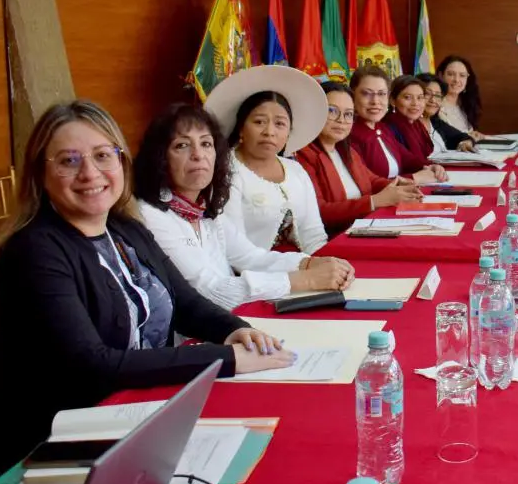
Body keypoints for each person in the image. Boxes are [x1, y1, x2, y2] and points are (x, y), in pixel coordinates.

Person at [0, 100, 295, 484]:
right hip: (41, 451)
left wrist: (236, 330)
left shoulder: (126, 228)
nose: (90, 173)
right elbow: (93, 364)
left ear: (121, 162)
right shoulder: (34, 251)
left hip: (129, 416)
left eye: (102, 156)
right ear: (41, 173)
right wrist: (225, 359)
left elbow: (186, 302)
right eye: (69, 161)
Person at [135, 104, 354, 310]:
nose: (198, 155)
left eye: (206, 144)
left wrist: (309, 263)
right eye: (182, 146)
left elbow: (251, 257)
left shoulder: (203, 207)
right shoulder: (150, 215)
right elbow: (208, 291)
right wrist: (305, 279)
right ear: (160, 157)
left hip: (231, 321)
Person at [204, 65, 330, 253]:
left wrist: (324, 261)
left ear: (288, 132)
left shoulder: (295, 170)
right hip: (252, 268)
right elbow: (236, 250)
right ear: (241, 128)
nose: (269, 132)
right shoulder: (225, 170)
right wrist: (303, 266)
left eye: (280, 124)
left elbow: (313, 234)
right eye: (259, 122)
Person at [295, 81, 423, 236]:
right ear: (314, 112)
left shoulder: (346, 150)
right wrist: (374, 201)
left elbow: (371, 181)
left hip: (363, 228)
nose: (341, 120)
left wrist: (396, 185)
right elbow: (319, 211)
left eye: (348, 114)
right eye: (332, 111)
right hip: (335, 238)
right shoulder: (302, 155)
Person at [347, 64, 446, 184]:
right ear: (352, 96)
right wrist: (413, 178)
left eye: (381, 94)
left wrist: (431, 166)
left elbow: (407, 159)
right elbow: (366, 184)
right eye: (366, 93)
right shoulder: (349, 135)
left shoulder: (382, 128)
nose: (375, 101)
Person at [417, 72, 476, 152]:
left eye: (438, 95)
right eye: (427, 94)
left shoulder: (435, 122)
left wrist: (466, 143)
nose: (433, 100)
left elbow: (462, 136)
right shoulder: (410, 124)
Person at [437, 55, 485, 139]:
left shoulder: (467, 104)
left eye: (462, 75)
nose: (456, 80)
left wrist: (474, 136)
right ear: (441, 76)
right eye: (451, 74)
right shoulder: (434, 105)